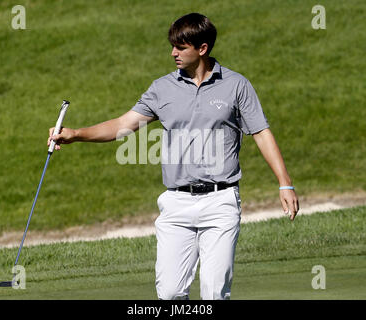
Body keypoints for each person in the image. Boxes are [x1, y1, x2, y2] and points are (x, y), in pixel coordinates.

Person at [48, 13, 299, 300]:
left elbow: (261, 132)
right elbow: (122, 125)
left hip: (221, 201)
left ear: (202, 49)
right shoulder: (162, 88)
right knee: (168, 294)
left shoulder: (236, 85)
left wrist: (285, 183)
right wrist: (75, 133)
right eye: (172, 46)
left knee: (214, 292)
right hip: (176, 203)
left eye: (180, 47)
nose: (173, 53)